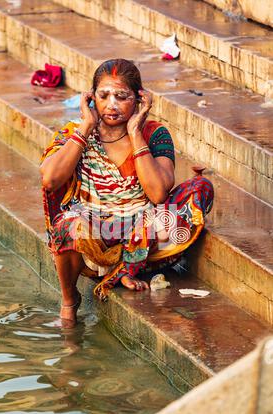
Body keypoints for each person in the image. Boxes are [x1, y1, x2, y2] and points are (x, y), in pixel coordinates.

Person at [40, 58, 214, 326]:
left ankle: (127, 267)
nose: (111, 104)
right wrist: (86, 128)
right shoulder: (76, 132)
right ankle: (69, 301)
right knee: (68, 225)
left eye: (121, 97)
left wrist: (135, 133)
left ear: (138, 99)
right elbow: (50, 180)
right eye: (103, 96)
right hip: (94, 238)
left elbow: (157, 194)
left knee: (199, 189)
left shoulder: (154, 134)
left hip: (143, 235)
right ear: (91, 98)